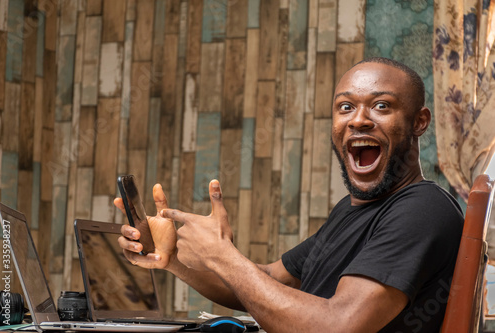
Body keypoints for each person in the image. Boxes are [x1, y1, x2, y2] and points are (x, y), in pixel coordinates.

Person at [114, 57, 463, 332]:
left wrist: (222, 255)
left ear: (419, 122)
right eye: (345, 107)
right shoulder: (352, 210)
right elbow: (262, 284)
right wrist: (173, 258)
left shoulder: (423, 210)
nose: (358, 120)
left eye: (381, 106)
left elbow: (338, 326)